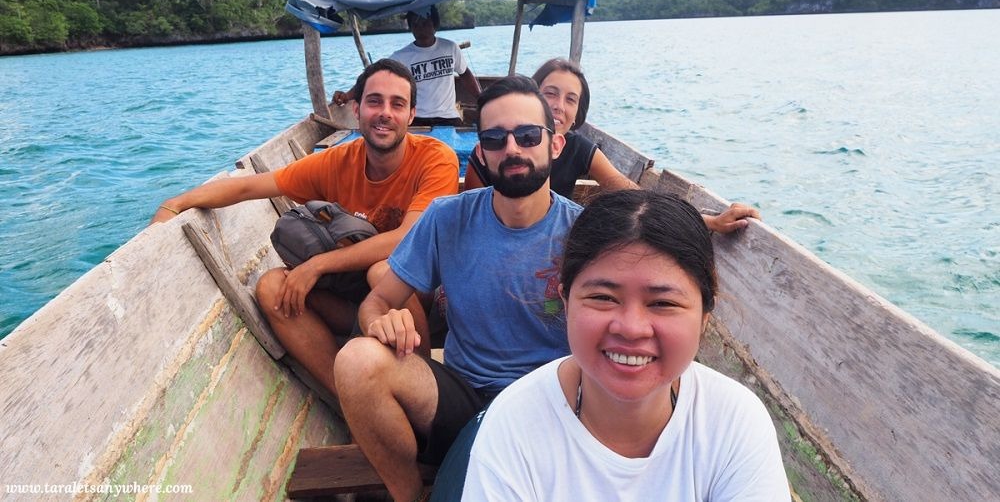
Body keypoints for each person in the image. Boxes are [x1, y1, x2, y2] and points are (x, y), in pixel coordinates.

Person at [333, 75, 581, 502]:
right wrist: (380, 322)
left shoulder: (583, 232)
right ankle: (408, 494)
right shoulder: (447, 217)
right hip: (465, 398)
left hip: (553, 402)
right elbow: (378, 301)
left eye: (527, 135)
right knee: (356, 360)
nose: (512, 149)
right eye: (495, 139)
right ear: (480, 152)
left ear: (555, 144)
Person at [151, 58, 459, 397]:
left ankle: (422, 385)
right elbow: (249, 187)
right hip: (357, 299)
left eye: (397, 104)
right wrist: (176, 203)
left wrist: (317, 265)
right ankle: (345, 396)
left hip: (418, 298)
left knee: (382, 271)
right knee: (272, 288)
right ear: (356, 110)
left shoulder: (435, 158)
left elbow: (406, 240)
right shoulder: (338, 161)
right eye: (375, 101)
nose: (385, 112)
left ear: (411, 115)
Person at [462, 190, 791, 501]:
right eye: (603, 298)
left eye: (662, 303)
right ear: (566, 302)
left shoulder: (734, 422)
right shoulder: (515, 424)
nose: (631, 328)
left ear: (705, 317)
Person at [466, 58, 759, 233]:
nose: (558, 106)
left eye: (570, 99)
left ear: (577, 115)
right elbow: (472, 217)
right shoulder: (494, 150)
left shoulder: (579, 148)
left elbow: (632, 193)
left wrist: (708, 221)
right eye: (550, 94)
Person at [334, 5, 482, 126]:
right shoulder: (401, 57)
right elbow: (373, 76)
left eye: (425, 23)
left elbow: (465, 74)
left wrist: (481, 98)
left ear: (434, 24)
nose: (421, 28)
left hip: (448, 117)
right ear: (410, 27)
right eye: (416, 24)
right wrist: (347, 95)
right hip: (416, 118)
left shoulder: (450, 48)